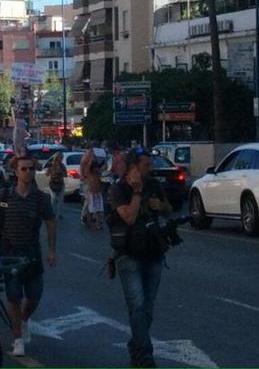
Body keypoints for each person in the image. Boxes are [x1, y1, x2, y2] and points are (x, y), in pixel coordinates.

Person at [0, 156, 57, 357]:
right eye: (23, 169)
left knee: (34, 296)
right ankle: (17, 339)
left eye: (31, 169)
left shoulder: (41, 198)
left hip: (32, 254)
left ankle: (24, 321)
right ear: (16, 172)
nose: (27, 173)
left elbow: (51, 224)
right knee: (14, 297)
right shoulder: (5, 196)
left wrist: (51, 251)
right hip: (10, 254)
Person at [108, 147, 173, 368]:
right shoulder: (119, 189)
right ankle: (145, 356)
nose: (151, 168)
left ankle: (136, 346)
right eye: (147, 165)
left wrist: (161, 205)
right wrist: (136, 192)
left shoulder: (154, 185)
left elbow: (168, 209)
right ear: (134, 167)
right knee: (137, 305)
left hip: (154, 252)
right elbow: (128, 217)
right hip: (129, 255)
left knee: (148, 309)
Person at [46, 152, 66, 219]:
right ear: (56, 158)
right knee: (53, 198)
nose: (61, 159)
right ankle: (52, 213)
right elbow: (47, 174)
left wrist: (61, 172)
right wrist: (51, 171)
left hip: (60, 184)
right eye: (60, 158)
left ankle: (59, 213)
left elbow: (65, 175)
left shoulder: (62, 166)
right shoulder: (51, 165)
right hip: (53, 184)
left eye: (62, 158)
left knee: (61, 199)